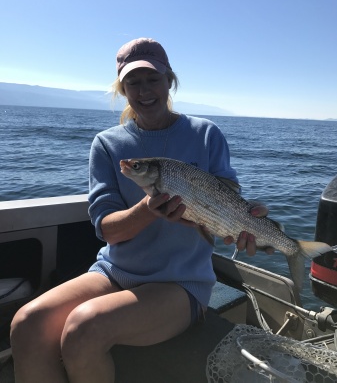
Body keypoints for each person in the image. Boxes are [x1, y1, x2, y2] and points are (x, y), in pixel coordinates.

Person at [10, 37, 271, 383]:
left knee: (82, 330)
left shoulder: (206, 134)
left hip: (181, 282)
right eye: (133, 82)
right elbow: (108, 230)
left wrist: (248, 223)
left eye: (153, 79)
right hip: (114, 272)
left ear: (170, 81)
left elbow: (226, 198)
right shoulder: (107, 144)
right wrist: (149, 208)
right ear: (122, 88)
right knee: (27, 324)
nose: (144, 90)